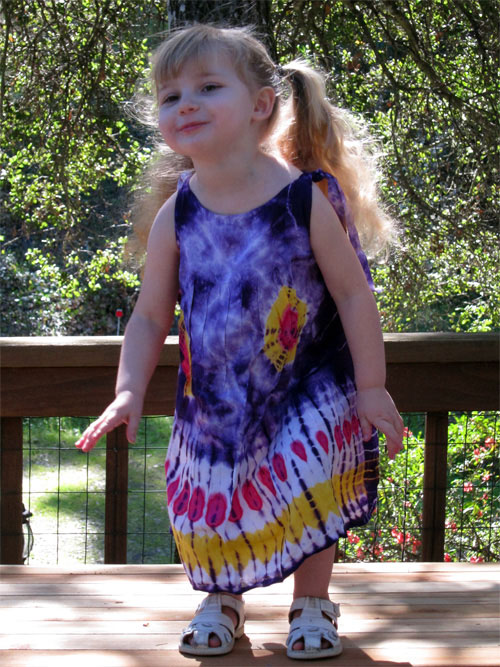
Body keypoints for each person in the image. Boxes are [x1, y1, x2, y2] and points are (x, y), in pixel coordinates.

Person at [76, 23, 404, 660]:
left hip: (305, 385)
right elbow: (149, 316)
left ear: (260, 104)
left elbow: (353, 294)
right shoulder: (179, 212)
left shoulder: (302, 199)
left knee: (312, 484)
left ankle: (313, 603)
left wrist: (371, 386)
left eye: (207, 87)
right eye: (170, 96)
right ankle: (221, 598)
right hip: (215, 402)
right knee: (211, 501)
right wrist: (127, 390)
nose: (185, 104)